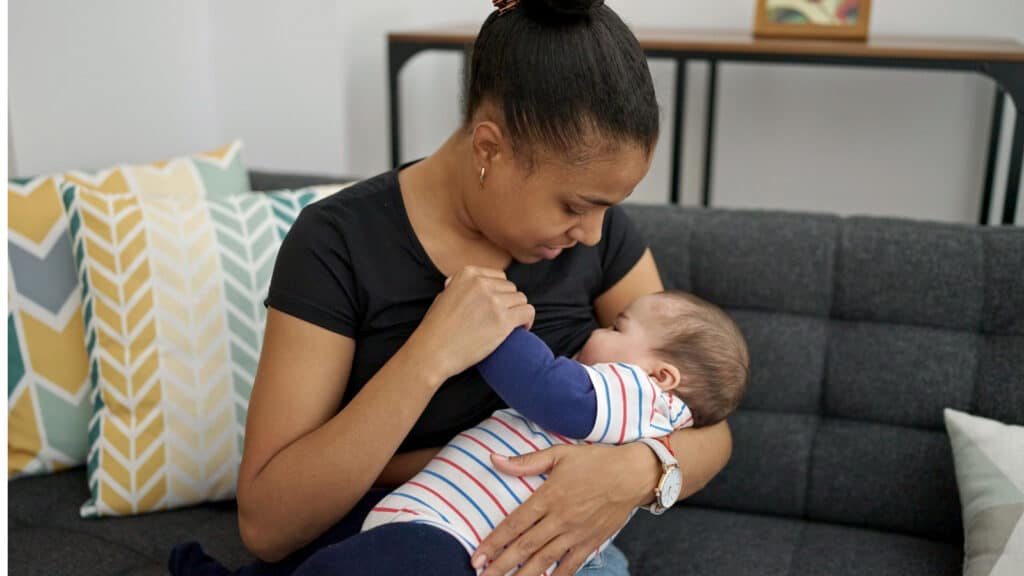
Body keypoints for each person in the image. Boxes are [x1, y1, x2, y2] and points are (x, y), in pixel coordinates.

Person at [169, 0, 733, 575]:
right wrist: (430, 355)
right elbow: (267, 526)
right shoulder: (337, 244)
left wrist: (635, 473)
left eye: (606, 210)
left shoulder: (600, 241)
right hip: (399, 544)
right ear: (489, 148)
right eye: (574, 206)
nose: (590, 234)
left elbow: (708, 428)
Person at [351, 290, 748, 576]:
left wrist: (493, 328)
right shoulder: (649, 421)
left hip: (454, 532)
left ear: (660, 376)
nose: (595, 333)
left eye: (614, 327)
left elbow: (548, 388)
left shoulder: (641, 398)